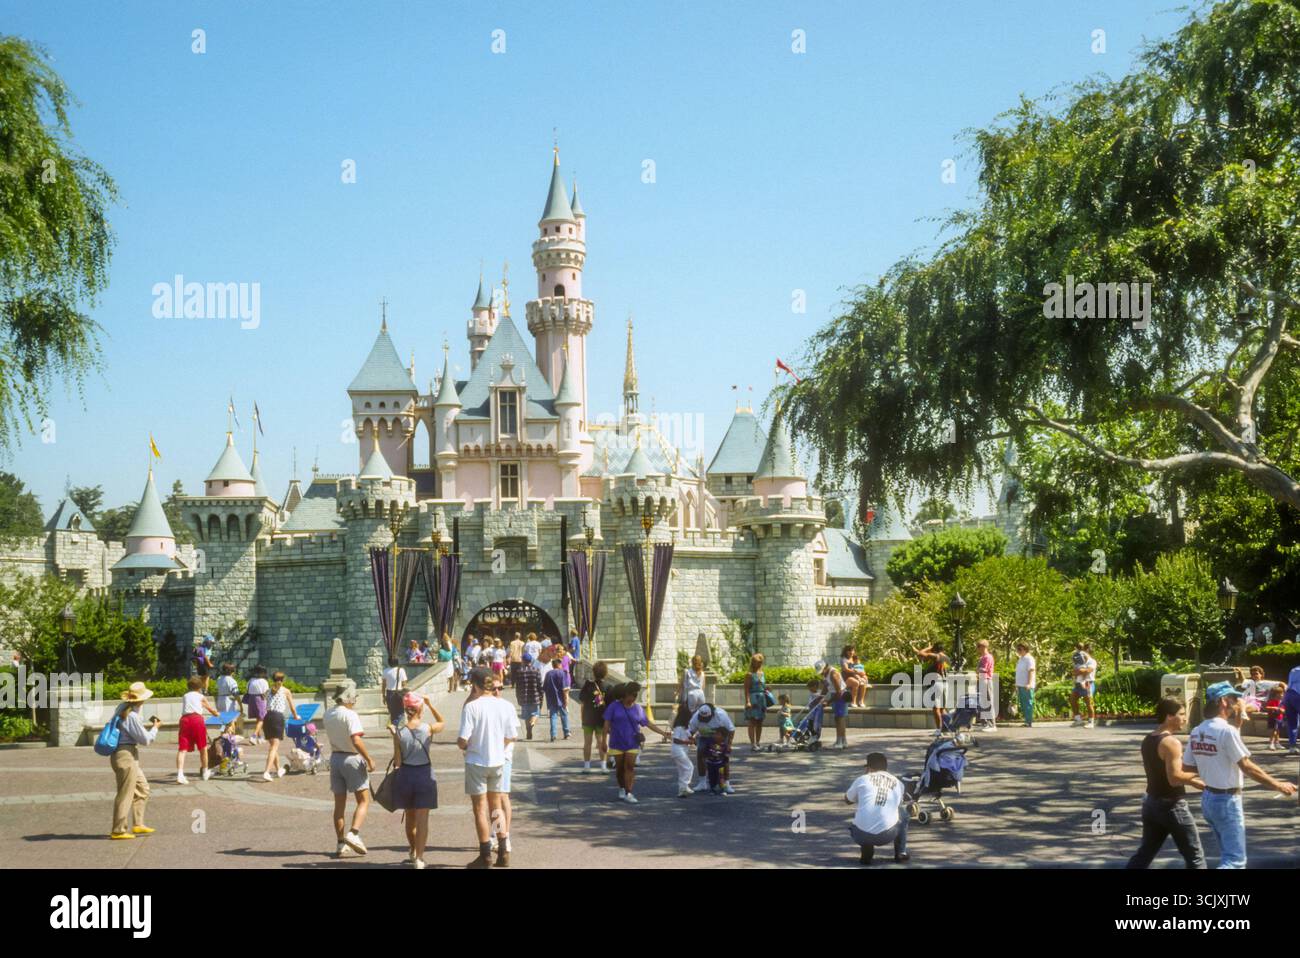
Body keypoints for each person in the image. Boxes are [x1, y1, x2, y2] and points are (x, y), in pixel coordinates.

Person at [1183, 682, 1296, 868]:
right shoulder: (1226, 731)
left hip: (1208, 799)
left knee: (1227, 856)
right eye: (1234, 698)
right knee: (1235, 861)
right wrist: (1278, 785)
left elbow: (1188, 767)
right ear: (1223, 702)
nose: (1238, 702)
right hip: (1226, 800)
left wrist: (1210, 763)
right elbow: (1247, 766)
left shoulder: (1197, 731)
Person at [1125, 697, 1206, 869]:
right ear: (1169, 716)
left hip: (1151, 803)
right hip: (1172, 806)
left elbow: (1164, 771)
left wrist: (1193, 776)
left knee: (1144, 854)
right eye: (1181, 714)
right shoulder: (1171, 742)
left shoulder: (1148, 739)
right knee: (1195, 857)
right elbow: (1174, 777)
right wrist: (1198, 778)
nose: (1185, 718)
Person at [457, 667, 519, 868]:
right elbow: (512, 736)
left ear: (474, 685)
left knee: (479, 808)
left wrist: (466, 745)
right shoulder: (506, 706)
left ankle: (485, 854)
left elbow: (462, 739)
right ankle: (503, 850)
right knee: (496, 807)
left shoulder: (472, 707)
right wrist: (497, 746)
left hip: (476, 761)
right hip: (498, 761)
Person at [389, 691, 444, 869]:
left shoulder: (399, 731)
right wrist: (430, 704)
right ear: (420, 708)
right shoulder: (427, 728)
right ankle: (419, 858)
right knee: (422, 820)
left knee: (410, 817)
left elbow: (397, 761)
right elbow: (442, 723)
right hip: (424, 774)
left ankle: (413, 850)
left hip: (406, 775)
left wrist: (394, 737)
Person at [324, 683, 374, 858]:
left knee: (339, 804)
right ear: (348, 698)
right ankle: (354, 833)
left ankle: (340, 843)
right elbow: (356, 740)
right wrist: (368, 758)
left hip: (335, 758)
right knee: (363, 800)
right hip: (351, 759)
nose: (355, 701)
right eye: (354, 697)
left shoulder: (328, 713)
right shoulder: (350, 715)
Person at [603, 682, 670, 804]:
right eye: (631, 695)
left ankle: (629, 792)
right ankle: (622, 788)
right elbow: (606, 723)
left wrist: (663, 733)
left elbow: (648, 723)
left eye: (635, 695)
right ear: (625, 694)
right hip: (616, 742)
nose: (633, 698)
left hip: (632, 743)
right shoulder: (614, 706)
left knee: (629, 767)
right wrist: (603, 741)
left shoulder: (638, 708)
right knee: (619, 770)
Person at [109, 682, 161, 840]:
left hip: (124, 753)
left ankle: (138, 824)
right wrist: (155, 727)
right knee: (125, 793)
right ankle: (118, 830)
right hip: (126, 754)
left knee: (142, 788)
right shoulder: (131, 715)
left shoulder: (123, 708)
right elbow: (145, 739)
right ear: (141, 700)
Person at [845, 752, 910, 865]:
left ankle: (866, 847)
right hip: (886, 835)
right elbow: (898, 804)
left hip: (861, 835)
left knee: (863, 812)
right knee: (903, 812)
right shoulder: (898, 783)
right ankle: (901, 853)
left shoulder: (862, 779)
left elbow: (847, 800)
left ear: (869, 768)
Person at [176, 674, 221, 784]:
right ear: (199, 687)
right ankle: (205, 772)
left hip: (184, 720)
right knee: (203, 748)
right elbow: (211, 709)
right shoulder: (200, 696)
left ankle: (180, 774)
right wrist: (217, 714)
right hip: (197, 720)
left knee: (182, 749)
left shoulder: (185, 696)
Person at [688, 701, 736, 794]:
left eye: (707, 719)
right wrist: (689, 740)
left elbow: (731, 730)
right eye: (702, 719)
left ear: (712, 714)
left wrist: (729, 744)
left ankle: (726, 784)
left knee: (724, 758)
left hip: (721, 737)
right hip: (704, 737)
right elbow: (690, 732)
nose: (705, 721)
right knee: (700, 753)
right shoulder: (696, 717)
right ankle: (702, 783)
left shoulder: (721, 715)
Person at [260, 671, 299, 782]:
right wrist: (296, 716)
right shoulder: (286, 691)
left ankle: (278, 769)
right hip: (277, 717)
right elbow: (292, 707)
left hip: (267, 717)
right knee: (274, 747)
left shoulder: (268, 691)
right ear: (283, 680)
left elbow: (263, 698)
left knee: (273, 745)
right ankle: (267, 772)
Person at [580, 660, 613, 772]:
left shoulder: (587, 685)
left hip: (588, 718)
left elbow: (583, 704)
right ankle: (603, 766)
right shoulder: (609, 687)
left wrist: (582, 718)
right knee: (601, 742)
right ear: (606, 673)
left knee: (587, 743)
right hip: (602, 719)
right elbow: (611, 706)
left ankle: (586, 766)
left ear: (593, 673)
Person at [671, 690, 705, 796]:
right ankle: (684, 786)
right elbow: (675, 739)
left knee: (682, 769)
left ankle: (682, 788)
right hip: (677, 749)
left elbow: (690, 736)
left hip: (682, 750)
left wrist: (693, 739)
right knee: (689, 767)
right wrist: (687, 741)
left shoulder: (685, 727)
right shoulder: (678, 727)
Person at [912, 642, 950, 732]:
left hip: (937, 684)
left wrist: (928, 647)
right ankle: (946, 728)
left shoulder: (936, 656)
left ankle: (939, 729)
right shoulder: (947, 658)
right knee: (942, 708)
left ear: (935, 649)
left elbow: (920, 653)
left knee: (935, 708)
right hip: (945, 683)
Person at [819, 659, 850, 748]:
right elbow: (826, 687)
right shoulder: (825, 674)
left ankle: (840, 742)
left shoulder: (833, 674)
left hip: (840, 696)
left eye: (822, 672)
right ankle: (842, 741)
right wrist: (820, 697)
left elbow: (839, 692)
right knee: (838, 719)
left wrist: (828, 702)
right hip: (835, 695)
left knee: (840, 719)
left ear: (825, 668)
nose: (821, 674)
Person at [743, 653, 769, 751]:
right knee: (752, 721)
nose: (758, 664)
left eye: (759, 662)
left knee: (760, 722)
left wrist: (766, 689)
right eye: (756, 662)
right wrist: (748, 701)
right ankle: (752, 743)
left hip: (761, 699)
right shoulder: (749, 675)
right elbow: (746, 689)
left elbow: (762, 686)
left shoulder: (762, 673)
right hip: (753, 699)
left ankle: (758, 742)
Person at [543, 655, 572, 741]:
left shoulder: (548, 674)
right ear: (559, 665)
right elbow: (565, 688)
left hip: (551, 698)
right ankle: (566, 733)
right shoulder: (562, 673)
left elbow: (544, 687)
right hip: (561, 698)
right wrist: (566, 699)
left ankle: (553, 734)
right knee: (564, 715)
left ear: (553, 665)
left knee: (553, 716)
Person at [516, 652, 543, 740]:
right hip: (535, 697)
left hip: (524, 698)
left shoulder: (519, 671)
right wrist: (541, 696)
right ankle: (533, 723)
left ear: (523, 661)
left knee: (526, 717)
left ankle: (528, 731)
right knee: (536, 714)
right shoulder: (536, 670)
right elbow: (540, 685)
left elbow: (518, 687)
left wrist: (518, 698)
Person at [1070, 642, 1098, 728]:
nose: (1083, 653)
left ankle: (1091, 722)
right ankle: (1078, 720)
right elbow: (1074, 672)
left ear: (1088, 651)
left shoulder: (1092, 661)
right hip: (1078, 684)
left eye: (1085, 651)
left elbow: (1087, 671)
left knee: (1089, 703)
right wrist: (1079, 671)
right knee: (1072, 699)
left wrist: (1079, 671)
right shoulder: (1080, 661)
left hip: (1087, 683)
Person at [974, 640, 997, 731]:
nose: (978, 649)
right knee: (983, 703)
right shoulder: (982, 657)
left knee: (988, 702)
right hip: (981, 680)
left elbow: (984, 669)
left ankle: (992, 725)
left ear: (983, 647)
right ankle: (986, 723)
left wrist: (978, 670)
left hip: (986, 680)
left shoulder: (988, 657)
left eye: (979, 647)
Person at [244, 665, 269, 744]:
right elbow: (266, 692)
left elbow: (247, 689)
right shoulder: (263, 681)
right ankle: (254, 735)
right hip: (261, 699)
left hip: (251, 699)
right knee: (262, 718)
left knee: (258, 719)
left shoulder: (251, 680)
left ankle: (260, 737)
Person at [381, 656, 409, 725]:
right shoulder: (401, 670)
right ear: (397, 662)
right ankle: (394, 725)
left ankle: (393, 725)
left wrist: (383, 696)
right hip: (399, 693)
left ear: (389, 662)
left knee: (392, 712)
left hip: (389, 693)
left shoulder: (385, 671)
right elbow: (404, 684)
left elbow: (384, 685)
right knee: (401, 712)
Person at [1014, 643, 1036, 728]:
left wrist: (1029, 683)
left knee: (1028, 703)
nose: (1018, 651)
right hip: (1020, 684)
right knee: (1023, 704)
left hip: (1026, 685)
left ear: (1025, 649)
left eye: (1020, 649)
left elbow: (1031, 671)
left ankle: (1028, 721)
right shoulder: (1021, 659)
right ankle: (1026, 720)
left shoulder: (1029, 659)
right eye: (1018, 649)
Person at [1283, 662, 1300, 755]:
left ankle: (1292, 747)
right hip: (1298, 695)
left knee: (1292, 723)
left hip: (1288, 696)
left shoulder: (1294, 669)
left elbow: (1289, 684)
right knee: (1293, 723)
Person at [1263, 684, 1285, 751]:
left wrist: (1282, 710)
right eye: (1280, 694)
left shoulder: (1282, 702)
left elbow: (1284, 710)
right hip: (1273, 718)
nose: (1282, 695)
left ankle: (1277, 743)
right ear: (1275, 695)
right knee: (1274, 731)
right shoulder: (1272, 701)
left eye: (1282, 693)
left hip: (1279, 718)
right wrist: (1275, 708)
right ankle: (1271, 743)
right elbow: (1266, 707)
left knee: (1277, 731)